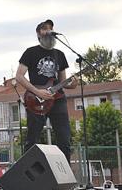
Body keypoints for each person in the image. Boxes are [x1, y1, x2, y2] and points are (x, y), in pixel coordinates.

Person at [16, 19, 78, 162]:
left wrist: (72, 84)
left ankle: (65, 179)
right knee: (32, 139)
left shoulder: (60, 54)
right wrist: (37, 92)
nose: (48, 31)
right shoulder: (30, 52)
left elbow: (62, 81)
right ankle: (28, 176)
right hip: (36, 100)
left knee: (64, 140)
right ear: (38, 34)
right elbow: (19, 76)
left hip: (58, 100)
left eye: (50, 28)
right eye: (44, 29)